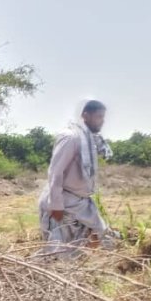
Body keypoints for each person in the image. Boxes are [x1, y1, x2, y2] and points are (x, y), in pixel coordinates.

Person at [38, 100, 113, 257]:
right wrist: (56, 205)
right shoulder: (71, 138)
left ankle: (78, 265)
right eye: (99, 116)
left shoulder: (89, 139)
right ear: (85, 115)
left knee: (99, 231)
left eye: (103, 117)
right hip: (64, 201)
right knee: (58, 250)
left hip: (81, 203)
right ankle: (54, 272)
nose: (102, 121)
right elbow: (55, 172)